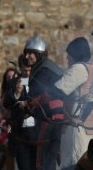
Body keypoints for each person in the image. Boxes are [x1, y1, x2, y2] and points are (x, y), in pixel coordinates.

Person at [50, 37, 93, 170]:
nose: (67, 58)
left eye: (69, 54)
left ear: (76, 54)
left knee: (74, 163)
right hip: (87, 125)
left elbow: (56, 90)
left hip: (76, 127)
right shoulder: (91, 67)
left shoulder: (78, 68)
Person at [20, 35, 63, 170]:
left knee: (45, 162)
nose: (28, 56)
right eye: (27, 53)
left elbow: (37, 96)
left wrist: (25, 104)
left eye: (32, 53)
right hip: (49, 119)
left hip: (50, 120)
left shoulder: (44, 70)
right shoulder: (42, 67)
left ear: (40, 54)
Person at [3, 54, 37, 170]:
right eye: (25, 69)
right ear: (20, 68)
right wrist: (17, 93)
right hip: (20, 132)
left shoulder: (37, 81)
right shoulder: (13, 83)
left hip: (37, 130)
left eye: (29, 69)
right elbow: (6, 103)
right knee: (24, 165)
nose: (27, 73)